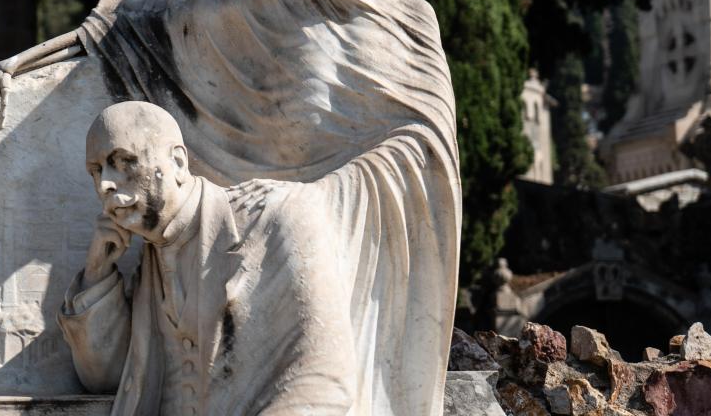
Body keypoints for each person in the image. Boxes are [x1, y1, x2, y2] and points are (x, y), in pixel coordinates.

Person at [0, 0, 460, 415]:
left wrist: (317, 201)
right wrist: (16, 67)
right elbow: (122, 34)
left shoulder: (409, 20)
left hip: (348, 215)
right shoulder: (256, 12)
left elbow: (429, 144)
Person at [61, 101, 449, 416]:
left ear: (178, 163)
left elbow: (324, 383)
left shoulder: (276, 215)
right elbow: (107, 379)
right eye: (96, 171)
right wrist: (97, 274)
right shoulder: (149, 262)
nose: (105, 184)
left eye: (123, 161)